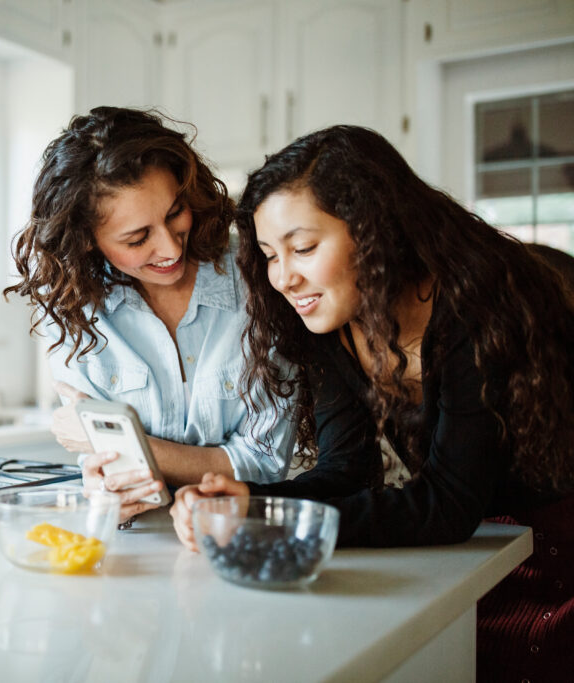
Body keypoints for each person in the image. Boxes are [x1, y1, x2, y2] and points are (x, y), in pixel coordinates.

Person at [169, 124, 574, 681]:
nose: (284, 277)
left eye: (304, 247)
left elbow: (449, 504)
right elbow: (348, 472)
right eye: (268, 254)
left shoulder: (476, 309)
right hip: (470, 554)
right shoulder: (329, 324)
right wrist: (243, 500)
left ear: (375, 230)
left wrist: (261, 518)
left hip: (554, 562)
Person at [4, 106, 297, 523]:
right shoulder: (73, 310)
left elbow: (265, 462)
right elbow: (109, 463)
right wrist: (105, 484)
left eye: (175, 212)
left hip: (242, 532)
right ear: (88, 240)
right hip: (135, 540)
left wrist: (136, 449)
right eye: (138, 238)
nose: (171, 249)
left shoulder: (259, 276)